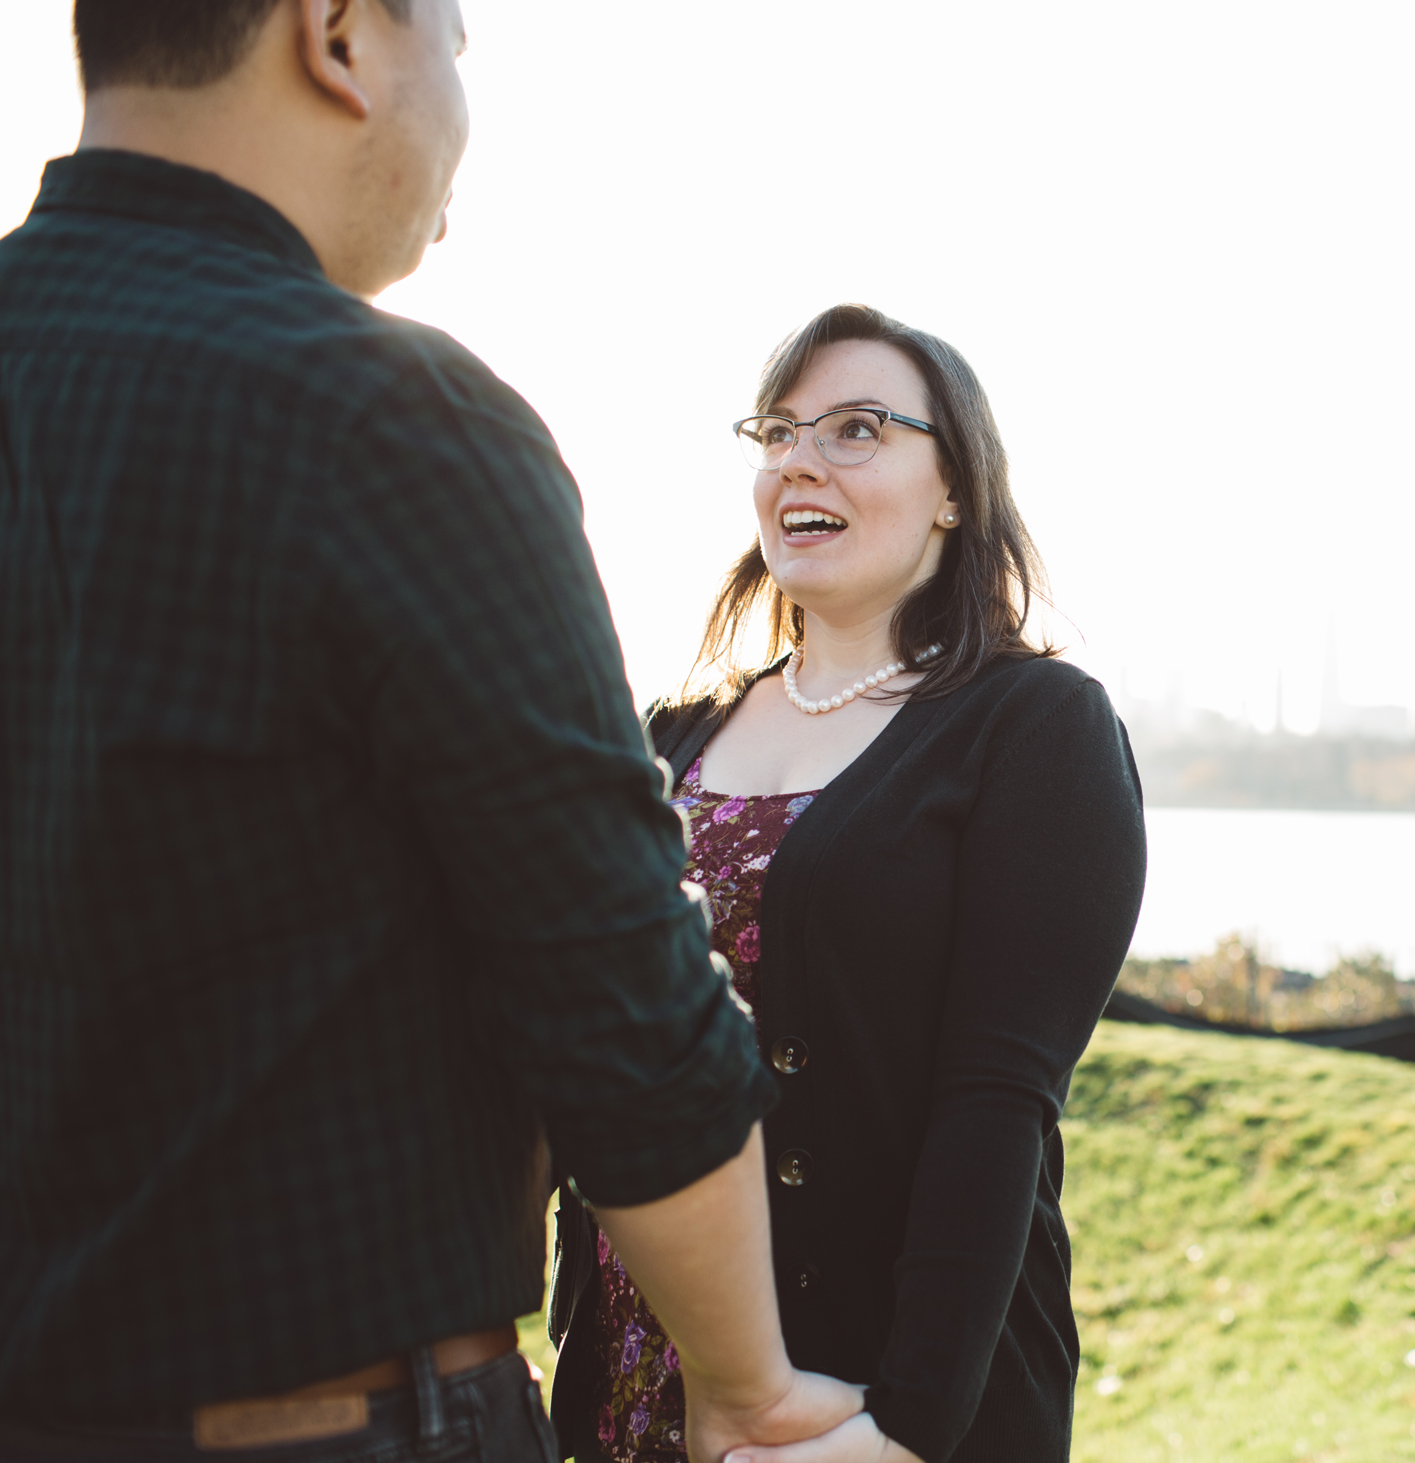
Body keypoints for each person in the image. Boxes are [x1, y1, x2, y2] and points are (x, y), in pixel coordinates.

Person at [0, 2, 860, 1458]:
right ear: (338, 36)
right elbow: (620, 988)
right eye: (457, 41)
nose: (462, 93)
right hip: (322, 1422)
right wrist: (750, 1386)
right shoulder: (391, 421)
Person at [546, 305, 1147, 1463]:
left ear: (956, 488)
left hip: (872, 1400)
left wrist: (903, 1430)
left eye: (857, 428)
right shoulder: (666, 736)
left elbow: (998, 1096)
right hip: (629, 1382)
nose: (799, 460)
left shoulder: (1032, 726)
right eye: (776, 432)